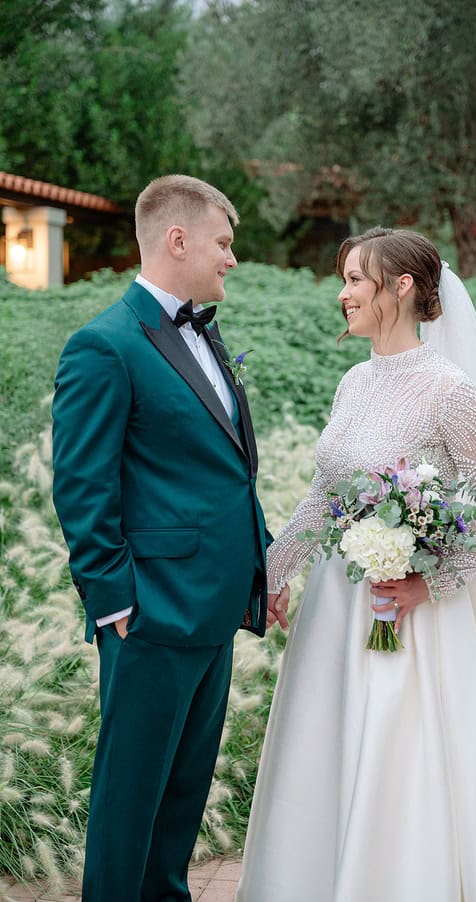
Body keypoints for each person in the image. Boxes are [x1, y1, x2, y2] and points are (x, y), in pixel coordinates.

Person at [236, 228, 476, 902]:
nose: (343, 294)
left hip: (412, 617)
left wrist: (429, 581)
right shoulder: (354, 382)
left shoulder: (449, 390)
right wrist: (273, 568)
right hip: (338, 612)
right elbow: (326, 492)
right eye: (343, 279)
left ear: (401, 286)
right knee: (331, 747)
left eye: (355, 279)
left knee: (402, 756)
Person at [52, 174, 289, 902]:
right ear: (176, 239)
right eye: (224, 241)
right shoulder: (104, 345)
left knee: (181, 801)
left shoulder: (203, 335)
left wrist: (264, 569)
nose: (232, 258)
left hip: (213, 610)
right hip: (151, 614)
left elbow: (227, 476)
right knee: (131, 805)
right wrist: (114, 602)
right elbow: (83, 485)